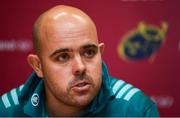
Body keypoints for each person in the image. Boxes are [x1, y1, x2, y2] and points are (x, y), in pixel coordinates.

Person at [0, 5, 159, 117]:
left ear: (100, 53)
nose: (80, 67)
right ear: (38, 65)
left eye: (89, 52)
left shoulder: (134, 108)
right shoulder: (8, 110)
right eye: (63, 57)